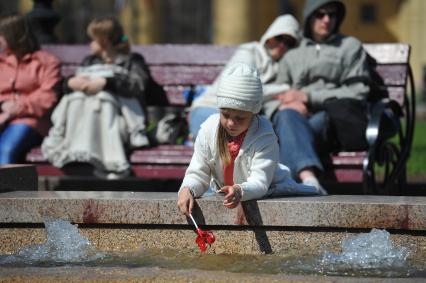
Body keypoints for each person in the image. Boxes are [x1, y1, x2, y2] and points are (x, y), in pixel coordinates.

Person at [177, 63, 320, 216]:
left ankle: (313, 186)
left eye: (240, 118)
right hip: (230, 193)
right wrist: (188, 189)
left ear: (254, 114)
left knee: (309, 192)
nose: (231, 123)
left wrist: (240, 190)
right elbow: (198, 172)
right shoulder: (208, 130)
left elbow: (260, 182)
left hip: (270, 190)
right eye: (225, 115)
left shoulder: (264, 135)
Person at [270, 0, 371, 194]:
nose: (326, 20)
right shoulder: (293, 53)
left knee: (287, 128)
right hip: (293, 117)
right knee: (286, 117)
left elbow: (358, 91)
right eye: (320, 14)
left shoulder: (349, 47)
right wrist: (283, 106)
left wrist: (308, 96)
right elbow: (278, 92)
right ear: (309, 17)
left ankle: (292, 184)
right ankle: (309, 179)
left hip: (329, 118)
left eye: (332, 15)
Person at [42, 17, 151, 179]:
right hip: (85, 117)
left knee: (104, 99)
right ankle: (79, 155)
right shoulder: (89, 61)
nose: (89, 44)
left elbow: (137, 85)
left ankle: (105, 161)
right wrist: (70, 83)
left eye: (92, 40)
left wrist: (107, 82)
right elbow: (73, 86)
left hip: (119, 119)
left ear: (104, 41)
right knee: (77, 99)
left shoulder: (132, 61)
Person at [187, 14, 300, 139]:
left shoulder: (281, 67)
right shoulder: (250, 51)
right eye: (279, 38)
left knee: (261, 137)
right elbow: (243, 89)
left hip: (237, 120)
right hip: (209, 109)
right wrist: (285, 90)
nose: (282, 45)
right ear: (270, 36)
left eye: (289, 43)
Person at [0, 14, 61, 164]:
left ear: (13, 35)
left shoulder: (46, 62)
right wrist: (2, 105)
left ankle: (8, 188)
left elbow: (48, 97)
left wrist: (17, 107)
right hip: (3, 117)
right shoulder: (2, 62)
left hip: (31, 120)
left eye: (1, 35)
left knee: (6, 148)